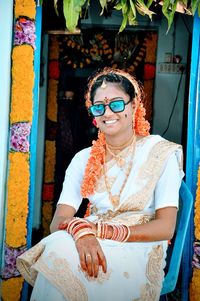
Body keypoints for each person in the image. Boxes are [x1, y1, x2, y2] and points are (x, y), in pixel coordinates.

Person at [17, 67, 184, 301]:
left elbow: (165, 227)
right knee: (57, 248)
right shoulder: (83, 159)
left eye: (116, 103)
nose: (108, 113)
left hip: (138, 248)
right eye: (99, 107)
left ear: (134, 105)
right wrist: (83, 233)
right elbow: (58, 222)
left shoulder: (160, 152)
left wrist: (103, 231)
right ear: (93, 114)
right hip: (90, 239)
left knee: (62, 257)